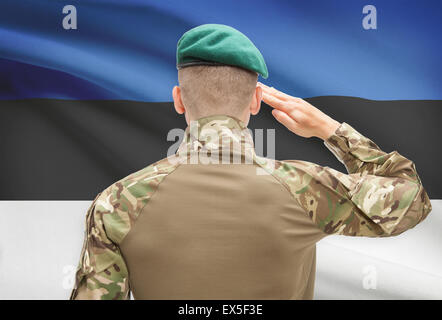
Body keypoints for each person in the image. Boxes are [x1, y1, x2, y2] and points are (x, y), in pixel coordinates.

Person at [70, 24, 432, 300]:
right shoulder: (306, 188)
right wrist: (331, 130)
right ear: (257, 101)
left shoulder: (116, 203)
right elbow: (411, 198)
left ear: (179, 100)